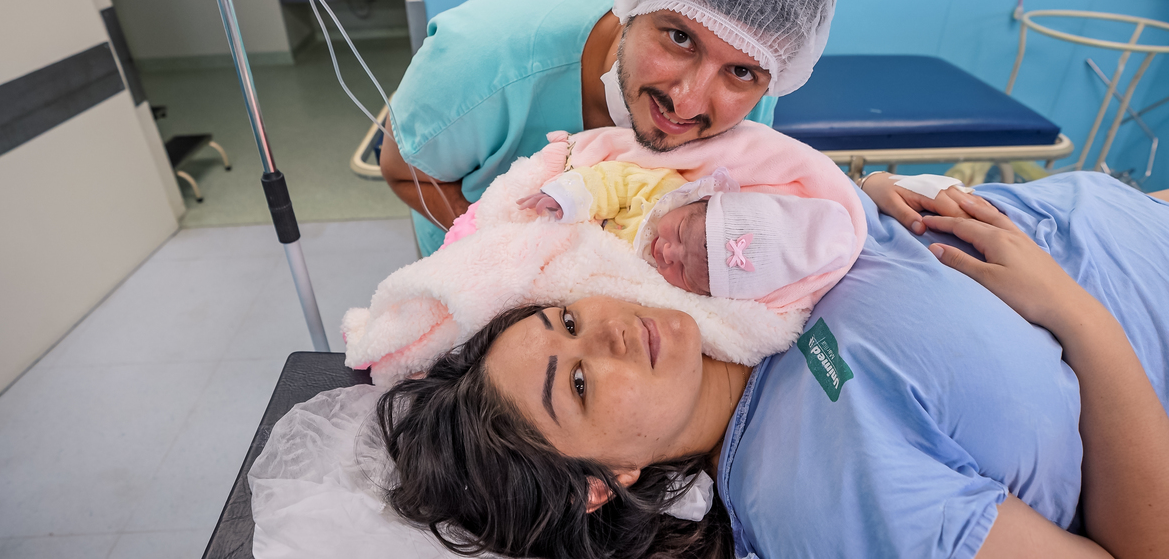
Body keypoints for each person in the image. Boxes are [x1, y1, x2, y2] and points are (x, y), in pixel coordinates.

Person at [376, 173, 1169, 559]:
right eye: (577, 383)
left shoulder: (718, 286)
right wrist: (1078, 316)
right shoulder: (812, 496)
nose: (607, 333)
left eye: (571, 319)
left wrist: (863, 195)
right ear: (604, 479)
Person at [378, 0, 839, 256]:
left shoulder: (751, 97)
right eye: (680, 39)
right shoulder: (481, 57)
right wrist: (505, 254)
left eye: (740, 72)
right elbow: (403, 170)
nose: (687, 104)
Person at [518, 162, 857, 299]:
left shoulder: (671, 296)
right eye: (680, 231)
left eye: (684, 272)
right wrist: (569, 199)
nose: (668, 252)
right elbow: (613, 181)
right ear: (699, 200)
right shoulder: (662, 193)